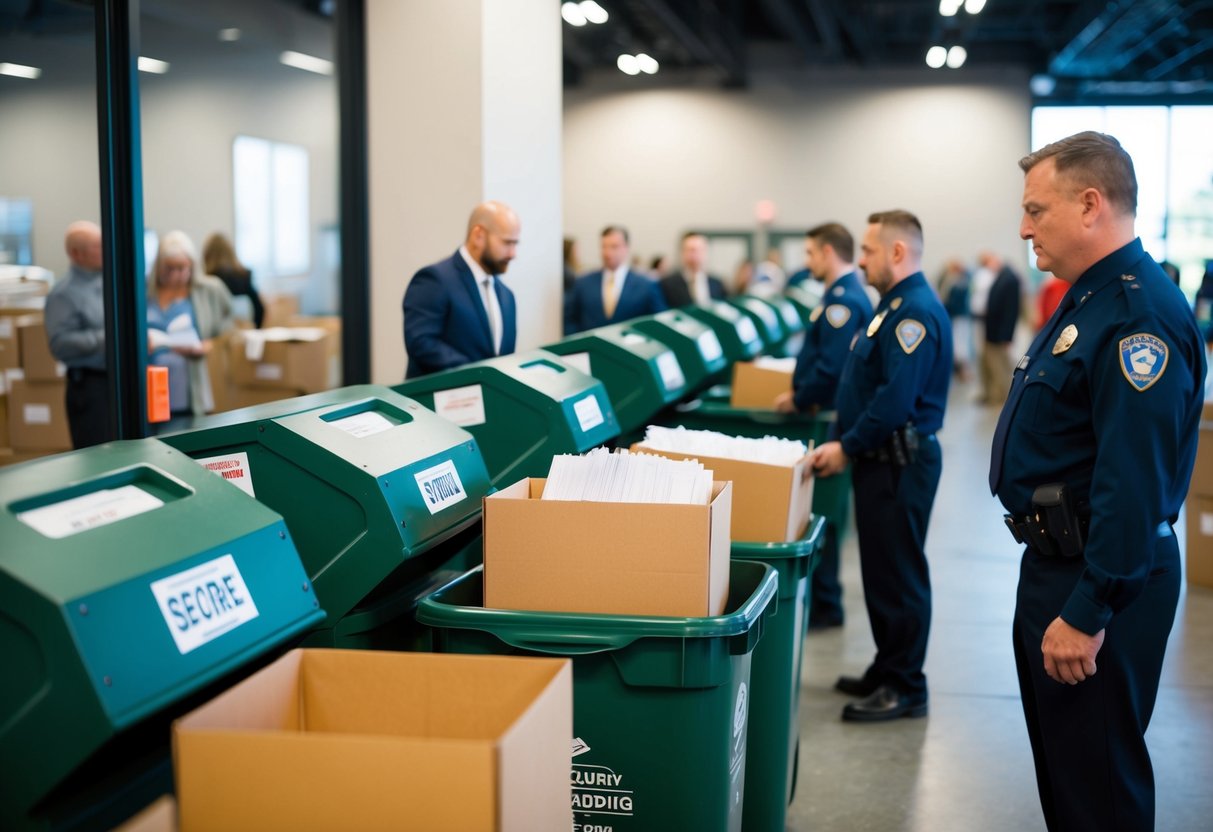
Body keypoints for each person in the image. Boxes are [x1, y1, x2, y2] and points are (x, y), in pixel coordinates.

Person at [990, 131, 1204, 831]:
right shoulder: (1091, 302)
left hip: (1099, 577)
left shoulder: (1136, 316)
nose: (1023, 228)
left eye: (1035, 209)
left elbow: (1132, 485)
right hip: (1060, 562)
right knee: (1070, 773)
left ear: (1089, 205)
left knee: (1099, 785)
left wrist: (1086, 612)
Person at [810, 209, 952, 722]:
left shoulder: (913, 312)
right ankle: (888, 665)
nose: (861, 259)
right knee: (881, 573)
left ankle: (906, 684)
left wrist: (846, 445)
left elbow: (895, 401)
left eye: (868, 250)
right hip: (881, 461)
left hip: (900, 463)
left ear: (897, 252)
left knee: (899, 575)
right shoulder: (890, 306)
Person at [773, 222, 872, 629]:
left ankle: (827, 604)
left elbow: (831, 367)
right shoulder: (838, 296)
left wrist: (799, 397)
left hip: (829, 417)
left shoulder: (842, 301)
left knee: (822, 513)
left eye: (811, 253)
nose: (806, 261)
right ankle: (825, 600)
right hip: (831, 415)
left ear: (829, 252)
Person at [403, 201, 520, 378]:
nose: (513, 254)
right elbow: (422, 343)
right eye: (507, 243)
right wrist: (480, 374)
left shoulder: (506, 295)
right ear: (478, 235)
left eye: (515, 244)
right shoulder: (435, 279)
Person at [146, 230, 234, 433]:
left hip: (187, 385)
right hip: (150, 384)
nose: (176, 275)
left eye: (182, 268)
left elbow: (231, 322)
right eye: (169, 268)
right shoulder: (145, 290)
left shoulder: (209, 289)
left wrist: (211, 344)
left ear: (192, 266)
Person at [44, 221, 114, 448]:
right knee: (99, 458)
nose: (106, 249)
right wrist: (109, 338)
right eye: (98, 246)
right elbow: (60, 345)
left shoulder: (110, 282)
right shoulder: (63, 294)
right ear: (76, 253)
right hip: (90, 390)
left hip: (117, 383)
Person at [564, 225, 665, 334]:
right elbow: (569, 319)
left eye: (614, 246)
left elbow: (659, 321)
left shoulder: (646, 285)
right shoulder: (583, 283)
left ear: (626, 248)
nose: (608, 253)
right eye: (604, 246)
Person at [976, 251, 1022, 405]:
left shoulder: (1010, 279)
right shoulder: (1002, 276)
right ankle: (995, 395)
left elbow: (1011, 311)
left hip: (999, 333)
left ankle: (1004, 398)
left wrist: (1007, 336)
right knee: (992, 365)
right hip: (992, 330)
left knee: (1001, 367)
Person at [202, 232, 265, 328]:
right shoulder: (244, 276)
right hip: (245, 332)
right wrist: (255, 328)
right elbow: (260, 308)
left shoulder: (210, 281)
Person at [659, 232, 727, 307]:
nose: (696, 254)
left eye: (700, 250)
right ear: (682, 252)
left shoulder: (717, 283)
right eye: (691, 250)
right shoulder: (667, 284)